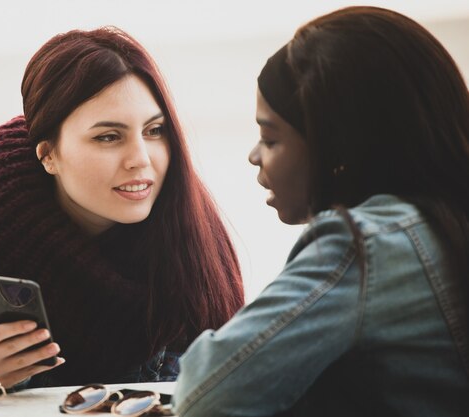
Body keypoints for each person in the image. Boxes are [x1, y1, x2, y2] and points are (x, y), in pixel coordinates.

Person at [0, 26, 245, 397]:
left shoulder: (191, 234)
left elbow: (235, 382)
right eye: (108, 137)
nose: (140, 160)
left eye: (154, 130)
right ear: (48, 155)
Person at [173, 6, 469, 416]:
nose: (254, 156)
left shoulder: (363, 245)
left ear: (339, 147)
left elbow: (205, 394)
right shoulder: (446, 222)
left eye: (270, 138)